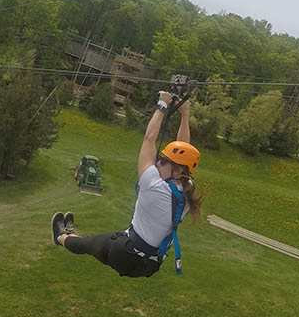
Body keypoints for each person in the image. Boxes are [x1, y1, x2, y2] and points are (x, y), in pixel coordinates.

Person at [51, 91, 202, 278]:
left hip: (126, 253)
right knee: (100, 242)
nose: (157, 162)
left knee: (87, 244)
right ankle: (68, 235)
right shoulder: (187, 189)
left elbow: (148, 140)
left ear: (178, 171)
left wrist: (162, 105)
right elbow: (183, 150)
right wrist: (185, 114)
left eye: (163, 161)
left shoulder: (154, 184)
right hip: (150, 263)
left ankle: (60, 237)